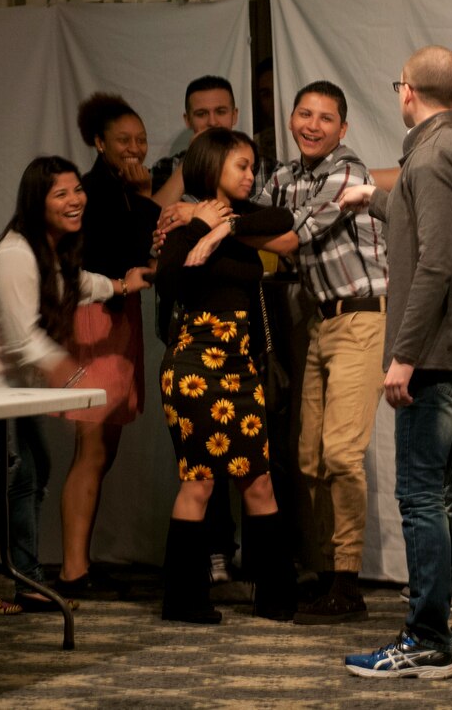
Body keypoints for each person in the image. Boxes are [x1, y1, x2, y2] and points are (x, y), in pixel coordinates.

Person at [340, 45, 452, 678]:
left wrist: (404, 356)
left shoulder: (432, 155)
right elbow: (442, 229)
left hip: (435, 354)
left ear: (408, 91)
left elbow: (435, 262)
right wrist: (373, 199)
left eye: (398, 85)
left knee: (420, 497)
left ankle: (428, 639)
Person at [0, 155, 153, 614]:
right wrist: (72, 375)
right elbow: (21, 340)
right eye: (62, 194)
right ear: (38, 202)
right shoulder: (16, 254)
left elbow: (75, 285)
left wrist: (121, 284)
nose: (75, 200)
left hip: (11, 386)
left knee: (31, 474)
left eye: (78, 190)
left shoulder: (45, 251)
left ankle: (28, 579)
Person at [250, 81, 388, 625]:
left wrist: (220, 234)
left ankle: (347, 583)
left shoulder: (347, 171)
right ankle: (325, 574)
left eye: (325, 118)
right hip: (317, 320)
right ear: (290, 118)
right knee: (307, 457)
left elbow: (289, 238)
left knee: (340, 456)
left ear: (343, 129)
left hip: (360, 317)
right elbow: (254, 211)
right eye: (304, 114)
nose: (313, 125)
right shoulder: (283, 176)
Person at [155, 127, 299, 623]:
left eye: (252, 166)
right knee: (201, 483)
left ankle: (276, 597)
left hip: (241, 369)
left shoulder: (244, 220)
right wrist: (197, 223)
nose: (250, 174)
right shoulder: (180, 224)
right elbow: (170, 282)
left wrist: (223, 229)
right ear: (212, 164)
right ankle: (183, 601)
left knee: (258, 482)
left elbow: (286, 221)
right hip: (195, 368)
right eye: (240, 164)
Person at [54, 94, 161, 597]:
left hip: (120, 319)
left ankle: (82, 563)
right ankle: (73, 570)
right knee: (92, 447)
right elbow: (127, 253)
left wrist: (141, 195)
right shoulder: (92, 190)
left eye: (140, 140)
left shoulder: (122, 189)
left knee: (105, 446)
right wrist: (145, 199)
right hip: (95, 320)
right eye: (124, 141)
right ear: (99, 143)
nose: (135, 148)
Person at [151, 75, 277, 206]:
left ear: (234, 115)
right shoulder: (165, 168)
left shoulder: (269, 169)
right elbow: (151, 220)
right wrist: (191, 158)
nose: (212, 122)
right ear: (188, 120)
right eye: (201, 114)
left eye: (221, 112)